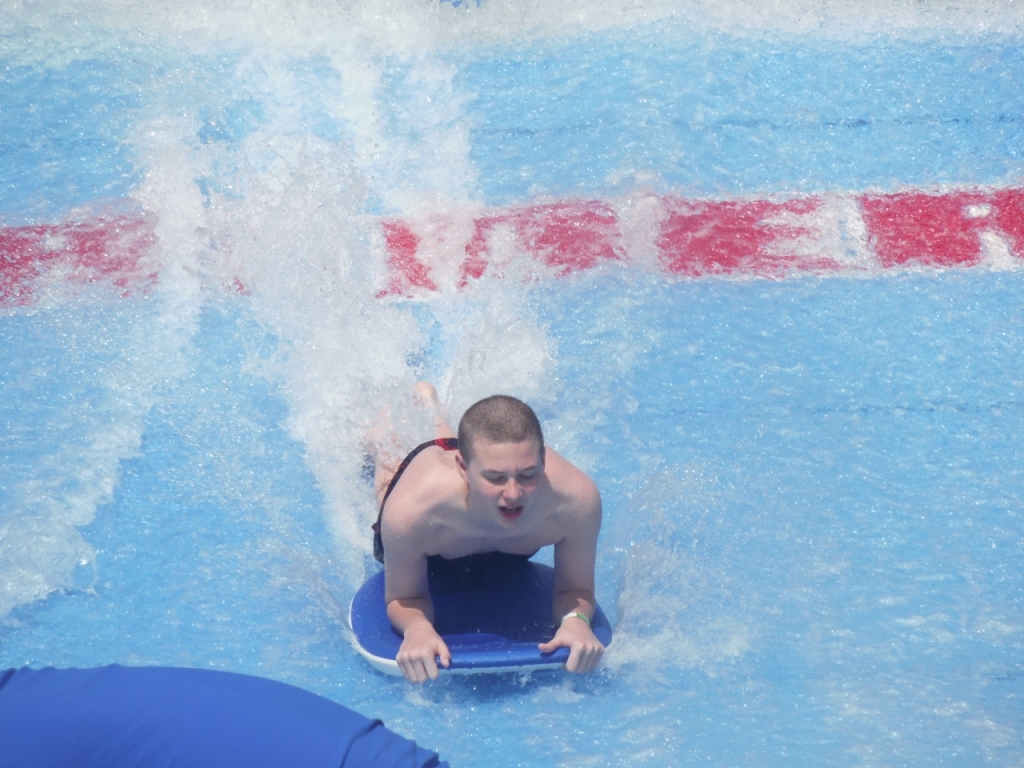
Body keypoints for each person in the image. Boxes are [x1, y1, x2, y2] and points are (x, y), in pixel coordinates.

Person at [370, 383, 604, 683]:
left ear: (543, 461)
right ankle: (401, 415)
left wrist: (576, 620)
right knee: (387, 468)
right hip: (429, 488)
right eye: (495, 478)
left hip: (470, 491)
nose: (513, 494)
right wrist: (416, 628)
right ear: (463, 469)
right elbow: (404, 597)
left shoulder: (574, 502)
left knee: (461, 443)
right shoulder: (415, 511)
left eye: (528, 475)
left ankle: (430, 403)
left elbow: (577, 590)